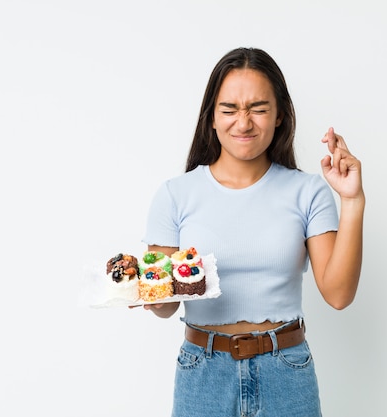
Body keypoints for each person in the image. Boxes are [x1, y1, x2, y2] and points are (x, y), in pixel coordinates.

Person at [138, 47, 365, 417]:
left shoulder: (307, 191)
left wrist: (352, 201)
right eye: (229, 110)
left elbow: (338, 295)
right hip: (203, 373)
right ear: (211, 118)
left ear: (279, 116)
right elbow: (164, 307)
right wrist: (145, 292)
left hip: (286, 370)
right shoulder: (175, 195)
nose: (243, 123)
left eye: (258, 109)